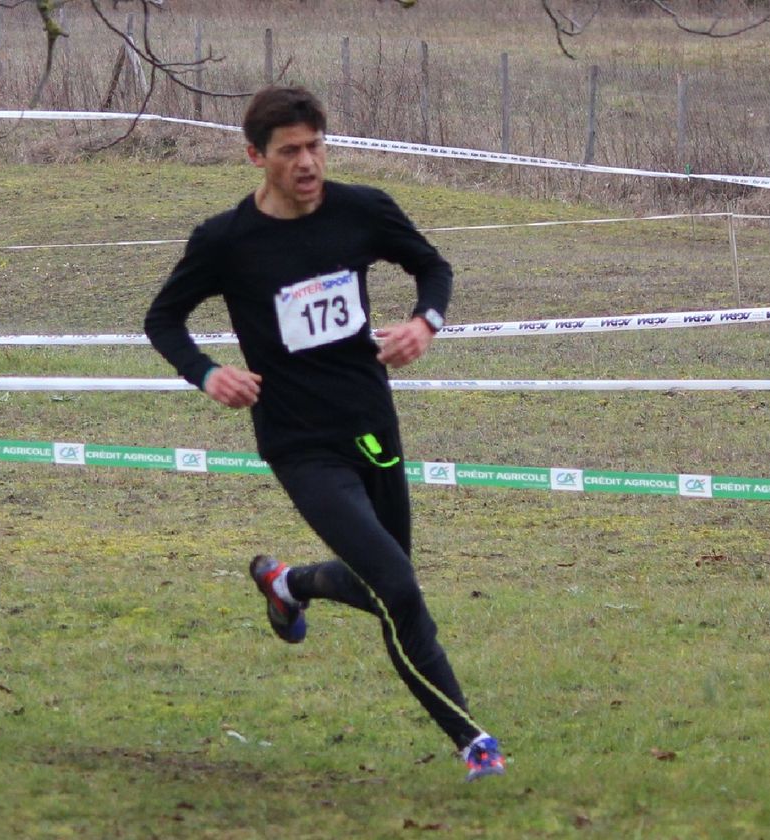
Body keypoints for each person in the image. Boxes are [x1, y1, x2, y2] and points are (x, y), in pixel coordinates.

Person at [142, 86, 505, 782]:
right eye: (290, 151)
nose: (308, 162)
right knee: (399, 589)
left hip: (371, 428)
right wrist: (206, 372)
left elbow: (433, 265)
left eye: (316, 146)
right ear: (256, 156)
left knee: (383, 584)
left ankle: (289, 583)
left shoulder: (362, 209)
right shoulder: (224, 242)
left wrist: (426, 321)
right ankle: (471, 739)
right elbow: (163, 319)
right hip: (300, 444)